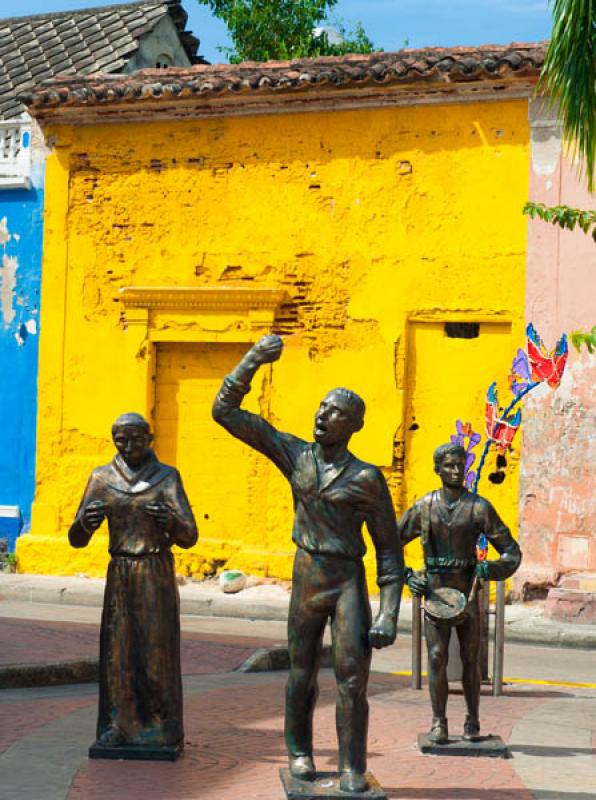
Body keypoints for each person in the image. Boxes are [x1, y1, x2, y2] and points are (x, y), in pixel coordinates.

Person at [212, 334, 404, 793]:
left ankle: (352, 767)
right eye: (321, 407)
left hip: (346, 582)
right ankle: (299, 751)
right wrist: (253, 358)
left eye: (336, 411)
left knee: (352, 677)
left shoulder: (366, 478)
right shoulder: (295, 455)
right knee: (300, 672)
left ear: (354, 425)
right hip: (306, 575)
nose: (323, 415)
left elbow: (390, 552)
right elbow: (225, 413)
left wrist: (390, 612)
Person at [69, 412, 198, 756]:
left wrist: (170, 520)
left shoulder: (167, 478)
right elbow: (76, 539)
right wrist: (86, 522)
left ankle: (161, 725)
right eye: (121, 440)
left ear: (150, 439)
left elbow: (189, 536)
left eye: (136, 439)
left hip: (155, 570)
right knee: (118, 650)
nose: (128, 447)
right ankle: (117, 725)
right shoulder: (101, 478)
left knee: (157, 650)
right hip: (121, 572)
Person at [399, 443, 521, 744]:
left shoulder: (479, 507)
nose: (456, 471)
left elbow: (512, 553)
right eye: (449, 466)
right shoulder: (423, 507)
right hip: (436, 591)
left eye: (460, 465)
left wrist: (489, 569)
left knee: (470, 658)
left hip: (468, 591)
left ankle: (472, 719)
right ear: (437, 469)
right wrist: (407, 576)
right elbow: (388, 545)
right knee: (437, 656)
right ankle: (438, 721)